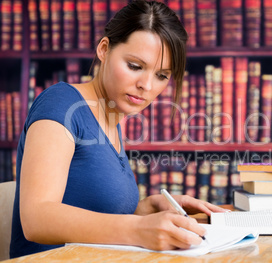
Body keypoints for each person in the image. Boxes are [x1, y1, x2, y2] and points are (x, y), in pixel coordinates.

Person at [10, 1, 227, 258]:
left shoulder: (112, 120)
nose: (146, 85)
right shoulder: (60, 104)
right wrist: (138, 227)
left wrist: (146, 210)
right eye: (135, 66)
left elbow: (87, 210)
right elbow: (37, 219)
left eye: (162, 75)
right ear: (104, 49)